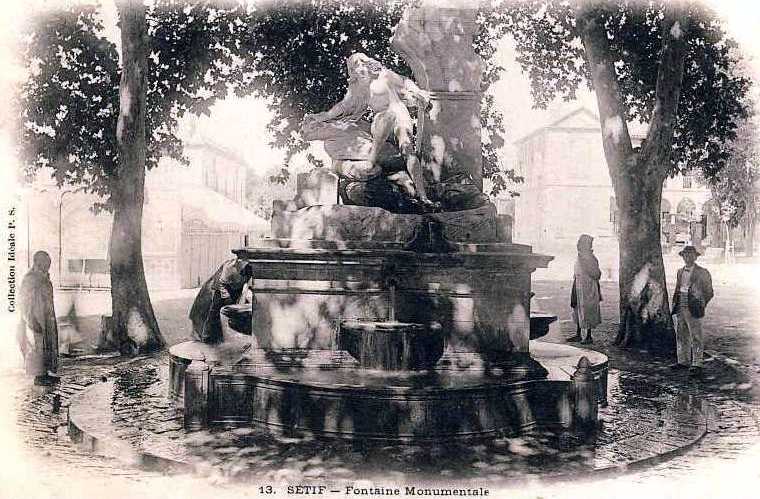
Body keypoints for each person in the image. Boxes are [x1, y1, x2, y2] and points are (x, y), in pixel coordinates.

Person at [303, 52, 437, 211]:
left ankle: (423, 196)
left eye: (361, 62)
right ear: (352, 71)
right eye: (354, 65)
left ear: (367, 63)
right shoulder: (358, 89)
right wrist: (323, 116)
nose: (359, 66)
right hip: (381, 122)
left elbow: (405, 81)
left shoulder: (384, 75)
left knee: (407, 149)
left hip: (399, 116)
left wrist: (418, 91)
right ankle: (372, 162)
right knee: (373, 123)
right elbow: (343, 106)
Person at [17, 251, 59, 385]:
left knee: (47, 345)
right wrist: (30, 319)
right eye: (46, 262)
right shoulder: (30, 279)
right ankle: (39, 376)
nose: (49, 265)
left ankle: (45, 373)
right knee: (38, 346)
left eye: (49, 262)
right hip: (36, 318)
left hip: (46, 318)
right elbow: (23, 301)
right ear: (38, 262)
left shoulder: (44, 278)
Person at [670, 245, 713, 377]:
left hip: (694, 307)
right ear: (682, 257)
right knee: (681, 334)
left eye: (690, 255)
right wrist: (675, 303)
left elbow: (709, 292)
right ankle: (683, 361)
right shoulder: (679, 272)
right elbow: (678, 288)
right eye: (685, 255)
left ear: (695, 257)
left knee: (696, 336)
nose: (688, 257)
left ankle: (697, 363)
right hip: (680, 306)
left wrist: (701, 303)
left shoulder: (703, 272)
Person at [189, 257, 253, 344]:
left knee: (237, 312)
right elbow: (222, 283)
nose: (245, 277)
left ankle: (225, 335)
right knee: (215, 311)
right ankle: (207, 337)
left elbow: (250, 285)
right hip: (220, 286)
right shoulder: (230, 268)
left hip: (234, 287)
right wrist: (226, 297)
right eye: (243, 274)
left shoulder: (250, 269)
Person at [614, 261, 665, 348]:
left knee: (646, 323)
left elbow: (655, 296)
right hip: (639, 304)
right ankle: (630, 339)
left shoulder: (654, 284)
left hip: (649, 305)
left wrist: (649, 307)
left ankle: (645, 342)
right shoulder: (640, 278)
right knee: (635, 320)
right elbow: (635, 293)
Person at [568, 234, 602, 345]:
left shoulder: (591, 259)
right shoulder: (580, 257)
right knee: (578, 308)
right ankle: (578, 334)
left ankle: (588, 335)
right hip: (579, 286)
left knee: (588, 310)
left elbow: (596, 274)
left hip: (589, 288)